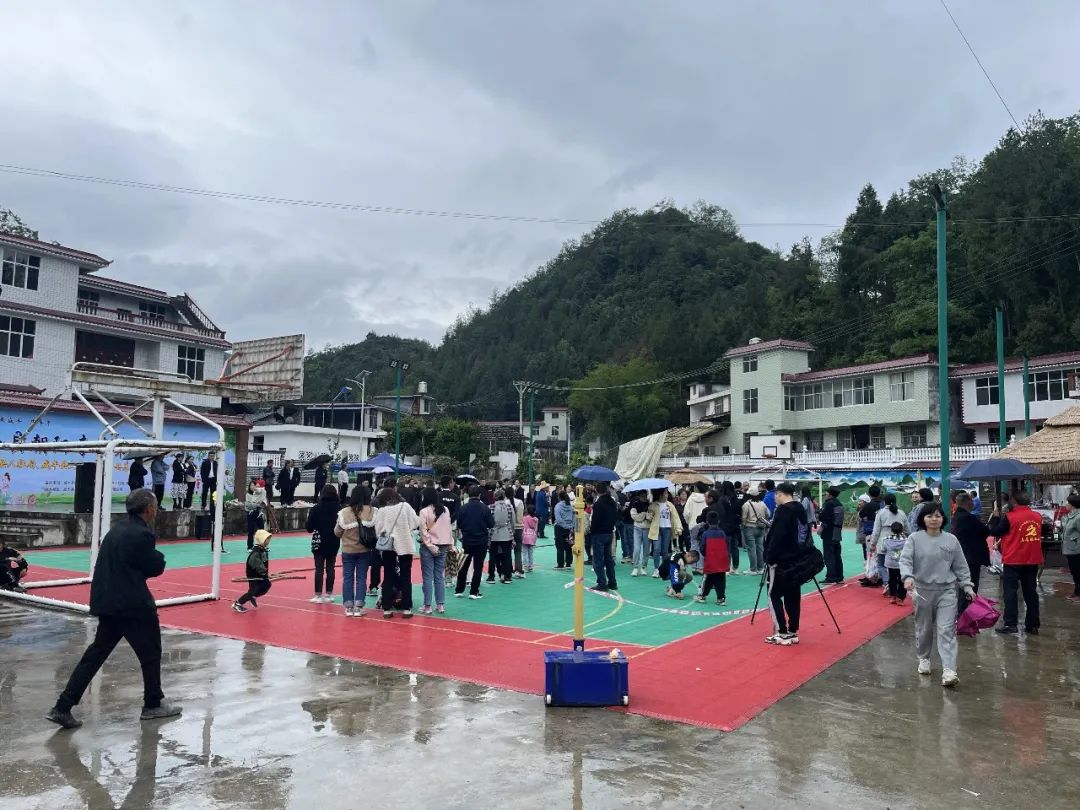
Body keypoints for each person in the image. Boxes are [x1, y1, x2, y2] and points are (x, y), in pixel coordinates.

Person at [46, 489, 181, 729]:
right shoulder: (141, 534)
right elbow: (153, 566)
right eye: (155, 505)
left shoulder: (117, 530)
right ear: (149, 509)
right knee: (150, 653)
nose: (156, 509)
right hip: (132, 604)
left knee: (95, 654)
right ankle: (153, 704)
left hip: (109, 602)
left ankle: (62, 706)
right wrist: (159, 558)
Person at [899, 502, 974, 687]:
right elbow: (905, 560)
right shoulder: (914, 539)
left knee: (946, 630)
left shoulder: (951, 540)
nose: (934, 519)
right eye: (930, 516)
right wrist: (907, 577)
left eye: (938, 516)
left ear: (943, 519)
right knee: (924, 629)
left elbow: (961, 565)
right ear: (923, 519)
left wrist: (967, 586)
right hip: (922, 592)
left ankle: (949, 670)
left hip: (947, 591)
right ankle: (924, 658)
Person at [989, 490, 1045, 635]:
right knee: (1031, 593)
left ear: (1013, 501)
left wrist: (995, 517)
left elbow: (994, 531)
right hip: (1032, 560)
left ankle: (1010, 623)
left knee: (1010, 593)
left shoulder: (1009, 517)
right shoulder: (1037, 516)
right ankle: (1032, 625)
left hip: (1013, 560)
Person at [764, 482, 809, 646]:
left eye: (776, 495)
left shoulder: (783, 511)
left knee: (773, 594)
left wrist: (769, 557)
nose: (775, 498)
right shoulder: (800, 509)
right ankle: (792, 631)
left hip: (781, 560)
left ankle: (781, 632)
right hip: (797, 559)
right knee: (793, 594)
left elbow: (776, 537)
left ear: (780, 494)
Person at [373, 482, 421, 619]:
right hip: (405, 544)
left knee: (388, 576)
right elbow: (416, 522)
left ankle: (387, 608)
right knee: (406, 576)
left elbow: (378, 530)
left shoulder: (382, 511)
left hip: (388, 546)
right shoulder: (405, 507)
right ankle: (407, 608)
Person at [335, 486, 375, 617]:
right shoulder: (372, 511)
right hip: (364, 550)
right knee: (361, 578)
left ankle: (348, 607)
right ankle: (358, 607)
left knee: (348, 578)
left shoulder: (344, 512)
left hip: (348, 550)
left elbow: (337, 532)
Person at [455, 485, 494, 599]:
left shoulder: (463, 508)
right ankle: (474, 591)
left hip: (467, 540)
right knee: (478, 567)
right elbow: (491, 524)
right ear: (479, 495)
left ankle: (459, 590)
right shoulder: (485, 508)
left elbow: (459, 523)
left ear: (468, 494)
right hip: (481, 540)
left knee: (464, 565)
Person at [418, 487, 452, 615]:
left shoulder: (424, 511)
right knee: (439, 576)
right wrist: (450, 544)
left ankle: (427, 606)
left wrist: (430, 546)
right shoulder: (445, 510)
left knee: (427, 577)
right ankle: (440, 604)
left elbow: (423, 531)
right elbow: (448, 528)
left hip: (428, 547)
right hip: (443, 545)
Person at [305, 485, 341, 604]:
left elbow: (309, 528)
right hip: (334, 541)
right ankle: (329, 594)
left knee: (319, 569)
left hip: (319, 541)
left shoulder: (316, 508)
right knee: (331, 568)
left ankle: (318, 595)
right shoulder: (339, 509)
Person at [951, 492, 990, 594]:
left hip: (963, 554)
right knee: (971, 584)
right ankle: (968, 603)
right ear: (968, 503)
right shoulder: (968, 517)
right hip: (970, 555)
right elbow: (984, 531)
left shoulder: (957, 516)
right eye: (971, 501)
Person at [232, 529, 273, 613]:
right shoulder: (256, 553)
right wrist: (264, 572)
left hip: (261, 575)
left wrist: (265, 574)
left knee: (267, 585)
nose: (268, 541)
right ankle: (238, 603)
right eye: (267, 539)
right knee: (252, 591)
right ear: (262, 540)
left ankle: (253, 597)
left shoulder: (263, 550)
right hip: (254, 576)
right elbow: (258, 565)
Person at [589, 481, 619, 592]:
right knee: (608, 559)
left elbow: (595, 520)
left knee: (598, 560)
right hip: (609, 532)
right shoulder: (612, 502)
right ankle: (612, 582)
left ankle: (602, 583)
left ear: (597, 490)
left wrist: (592, 531)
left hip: (599, 534)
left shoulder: (598, 504)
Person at [695, 511, 730, 605]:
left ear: (707, 522)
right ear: (718, 521)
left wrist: (707, 555)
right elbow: (727, 545)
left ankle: (702, 596)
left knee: (708, 579)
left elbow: (702, 547)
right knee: (721, 579)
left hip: (710, 560)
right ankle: (721, 598)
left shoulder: (706, 534)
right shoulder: (722, 533)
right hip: (722, 560)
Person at [647, 488, 682, 577]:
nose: (667, 495)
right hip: (656, 529)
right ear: (661, 494)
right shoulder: (653, 505)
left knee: (665, 551)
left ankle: (664, 570)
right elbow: (649, 517)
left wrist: (678, 528)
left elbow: (676, 517)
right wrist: (649, 516)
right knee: (656, 549)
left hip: (667, 529)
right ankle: (656, 569)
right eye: (665, 493)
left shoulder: (670, 505)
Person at [816, 486, 845, 584]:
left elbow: (824, 517)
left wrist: (819, 513)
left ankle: (831, 577)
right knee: (837, 555)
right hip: (837, 532)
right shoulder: (839, 503)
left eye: (826, 492)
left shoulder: (829, 504)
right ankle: (839, 576)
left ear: (830, 494)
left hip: (829, 532)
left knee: (829, 555)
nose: (825, 494)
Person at [487, 490, 516, 584]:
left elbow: (488, 522)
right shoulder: (509, 506)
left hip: (494, 533)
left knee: (492, 555)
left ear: (494, 497)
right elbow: (513, 522)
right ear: (504, 496)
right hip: (506, 532)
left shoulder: (490, 507)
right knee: (507, 555)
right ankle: (508, 576)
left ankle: (491, 576)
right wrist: (512, 532)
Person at [740, 488, 769, 575]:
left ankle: (753, 569)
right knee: (760, 548)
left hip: (750, 527)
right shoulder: (763, 503)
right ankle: (761, 568)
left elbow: (744, 517)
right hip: (761, 528)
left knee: (751, 548)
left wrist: (743, 525)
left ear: (750, 495)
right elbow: (768, 514)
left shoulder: (746, 504)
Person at [1059, 493, 1080, 602]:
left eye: (1067, 502)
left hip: (1077, 549)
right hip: (1070, 549)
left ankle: (1078, 593)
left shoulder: (1078, 517)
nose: (1066, 504)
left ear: (1072, 504)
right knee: (1074, 572)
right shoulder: (1070, 515)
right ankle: (1076, 591)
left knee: (1078, 572)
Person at [882, 521, 908, 604]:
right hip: (902, 563)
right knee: (902, 580)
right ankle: (900, 598)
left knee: (892, 579)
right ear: (902, 529)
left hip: (891, 563)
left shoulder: (886, 539)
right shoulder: (907, 540)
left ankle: (893, 596)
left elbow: (883, 550)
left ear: (891, 530)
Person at [630, 492, 651, 576]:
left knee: (646, 549)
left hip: (647, 529)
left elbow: (651, 517)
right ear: (639, 496)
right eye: (642, 496)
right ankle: (635, 567)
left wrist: (645, 516)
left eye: (645, 495)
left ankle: (643, 567)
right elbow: (634, 516)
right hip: (637, 528)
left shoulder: (650, 504)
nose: (643, 497)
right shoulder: (635, 504)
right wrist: (644, 515)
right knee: (637, 548)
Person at [506, 486, 526, 577]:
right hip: (517, 529)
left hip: (507, 529)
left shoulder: (504, 503)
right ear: (514, 493)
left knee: (507, 551)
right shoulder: (519, 502)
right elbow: (519, 519)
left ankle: (508, 570)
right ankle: (518, 570)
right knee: (518, 551)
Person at [553, 490, 574, 570]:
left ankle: (560, 564)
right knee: (569, 546)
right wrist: (570, 526)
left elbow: (558, 519)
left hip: (560, 528)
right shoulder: (570, 505)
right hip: (569, 528)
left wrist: (564, 525)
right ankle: (568, 563)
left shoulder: (558, 506)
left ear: (559, 497)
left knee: (559, 546)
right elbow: (573, 516)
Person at [243, 478, 266, 550]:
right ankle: (250, 546)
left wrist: (260, 505)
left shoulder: (260, 493)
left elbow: (263, 503)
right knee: (251, 530)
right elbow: (248, 505)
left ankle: (262, 545)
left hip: (258, 513)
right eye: (251, 485)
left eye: (254, 485)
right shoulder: (248, 495)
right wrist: (257, 505)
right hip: (251, 513)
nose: (252, 487)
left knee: (261, 529)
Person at [617, 486, 636, 564]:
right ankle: (631, 556)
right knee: (629, 539)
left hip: (628, 522)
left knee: (628, 539)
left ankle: (630, 556)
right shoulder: (632, 499)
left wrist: (623, 508)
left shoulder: (632, 500)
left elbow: (627, 511)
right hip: (630, 522)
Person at [522, 505, 538, 572]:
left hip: (525, 536)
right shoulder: (536, 519)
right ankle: (530, 566)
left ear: (527, 511)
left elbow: (522, 527)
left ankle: (525, 566)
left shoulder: (524, 518)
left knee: (525, 552)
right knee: (530, 552)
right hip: (532, 537)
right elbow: (536, 529)